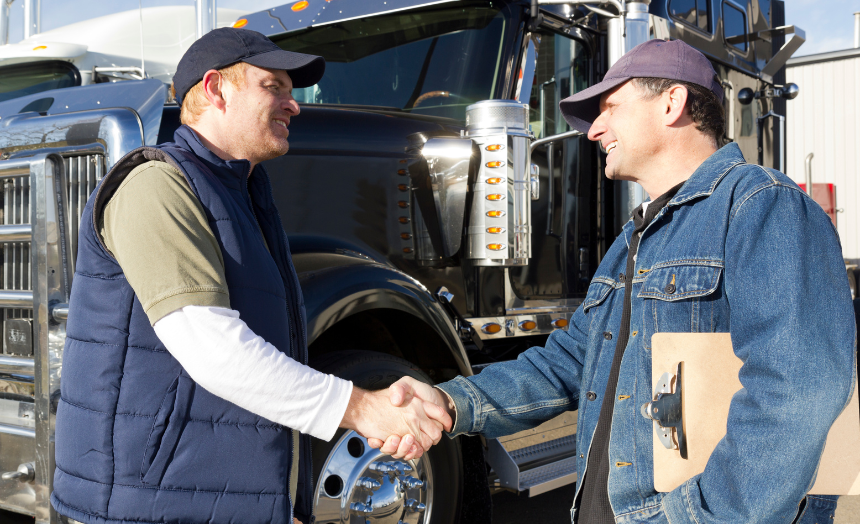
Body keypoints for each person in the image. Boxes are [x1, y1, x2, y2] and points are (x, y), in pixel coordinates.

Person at [374, 39, 855, 523]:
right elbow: (566, 363)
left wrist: (701, 516)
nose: (594, 130)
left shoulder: (759, 205)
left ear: (672, 103)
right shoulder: (633, 240)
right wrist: (450, 400)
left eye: (610, 108)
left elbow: (797, 388)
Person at [51, 28, 447, 524]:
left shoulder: (245, 197)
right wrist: (363, 408)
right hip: (148, 508)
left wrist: (282, 500)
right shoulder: (156, 185)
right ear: (216, 89)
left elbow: (262, 376)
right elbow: (215, 350)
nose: (293, 104)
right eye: (273, 86)